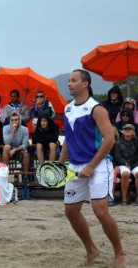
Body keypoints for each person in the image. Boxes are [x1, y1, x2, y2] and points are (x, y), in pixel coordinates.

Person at [58, 69, 124, 266]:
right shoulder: (68, 109)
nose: (69, 84)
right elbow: (67, 141)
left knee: (100, 211)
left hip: (99, 164)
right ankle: (92, 249)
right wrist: (59, 165)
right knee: (70, 212)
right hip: (75, 166)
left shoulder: (97, 108)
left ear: (85, 84)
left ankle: (119, 253)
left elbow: (110, 139)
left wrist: (92, 165)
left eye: (73, 80)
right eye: (68, 80)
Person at [1, 113, 30, 182]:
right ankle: (3, 174)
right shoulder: (5, 128)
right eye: (12, 120)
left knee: (26, 155)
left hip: (19, 149)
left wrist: (14, 150)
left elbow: (25, 144)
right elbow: (6, 142)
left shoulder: (25, 129)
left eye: (16, 120)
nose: (14, 122)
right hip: (9, 149)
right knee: (7, 147)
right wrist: (12, 131)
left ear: (19, 120)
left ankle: (25, 177)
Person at [114, 124, 138, 206]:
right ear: (123, 132)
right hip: (123, 164)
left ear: (133, 132)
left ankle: (137, 197)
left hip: (135, 163)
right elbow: (117, 157)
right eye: (125, 129)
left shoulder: (137, 142)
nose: (127, 130)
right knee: (125, 174)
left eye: (129, 129)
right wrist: (124, 163)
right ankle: (124, 199)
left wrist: (132, 163)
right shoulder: (118, 143)